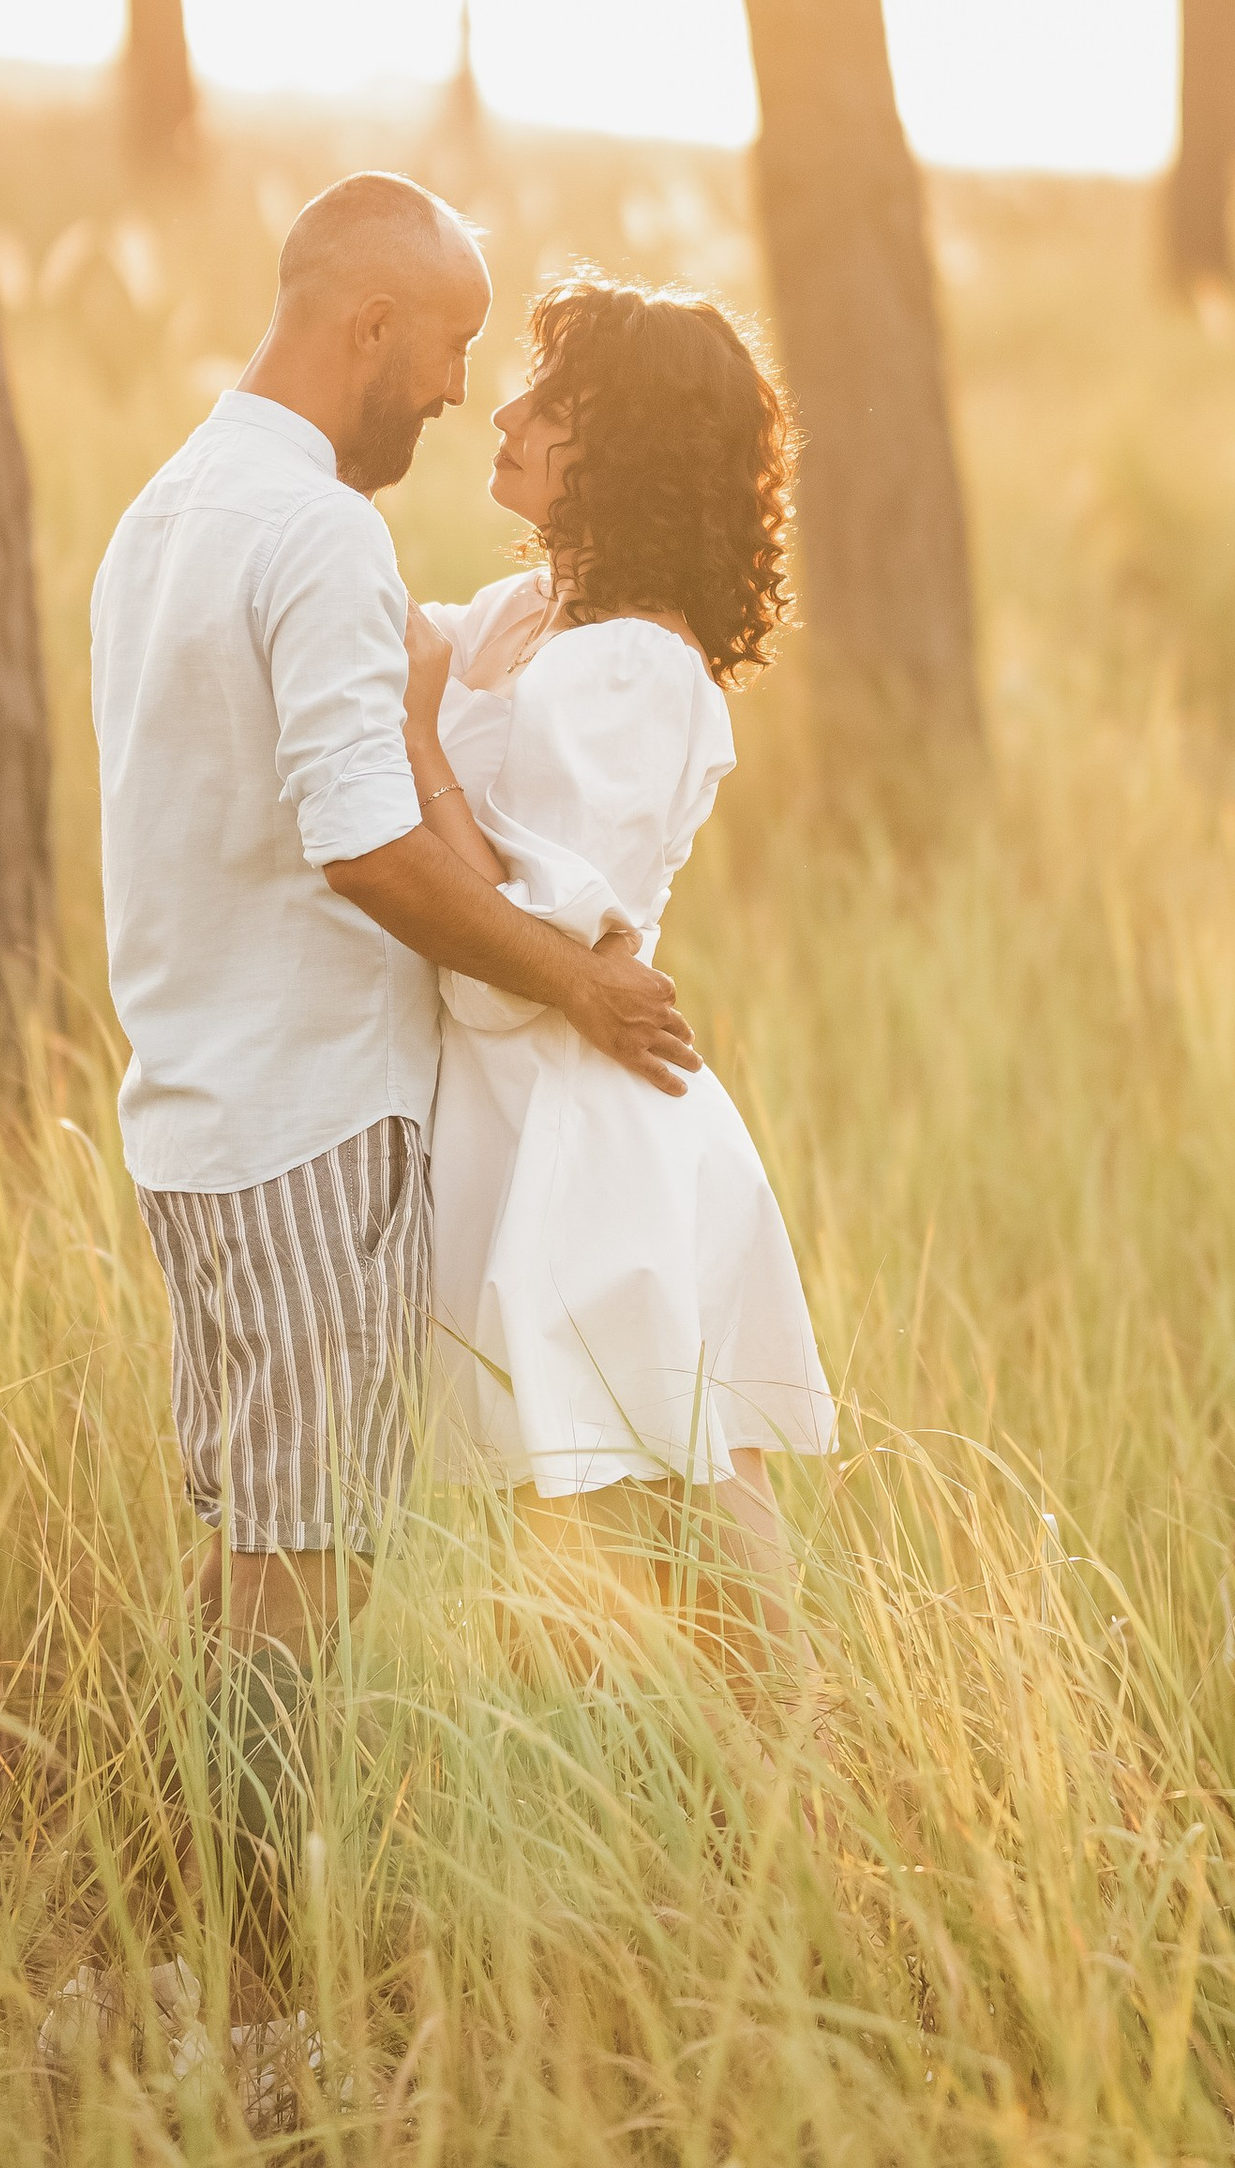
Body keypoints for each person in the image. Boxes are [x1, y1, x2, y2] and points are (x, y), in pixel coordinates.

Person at [87, 177, 700, 1688]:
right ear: (369, 326)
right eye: (447, 347)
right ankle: (257, 1923)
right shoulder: (319, 533)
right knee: (311, 1570)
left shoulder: (162, 511)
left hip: (190, 1113)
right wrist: (583, 985)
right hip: (309, 1119)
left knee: (256, 1541)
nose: (456, 392)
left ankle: (201, 1907)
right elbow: (365, 850)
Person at [404, 272, 838, 1685]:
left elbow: (520, 934)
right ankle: (701, 1832)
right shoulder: (524, 616)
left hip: (587, 1120)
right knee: (581, 1538)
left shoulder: (643, 670)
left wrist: (411, 734)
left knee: (693, 1520)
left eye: (557, 405)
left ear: (631, 455)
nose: (507, 411)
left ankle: (807, 1831)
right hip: (503, 1109)